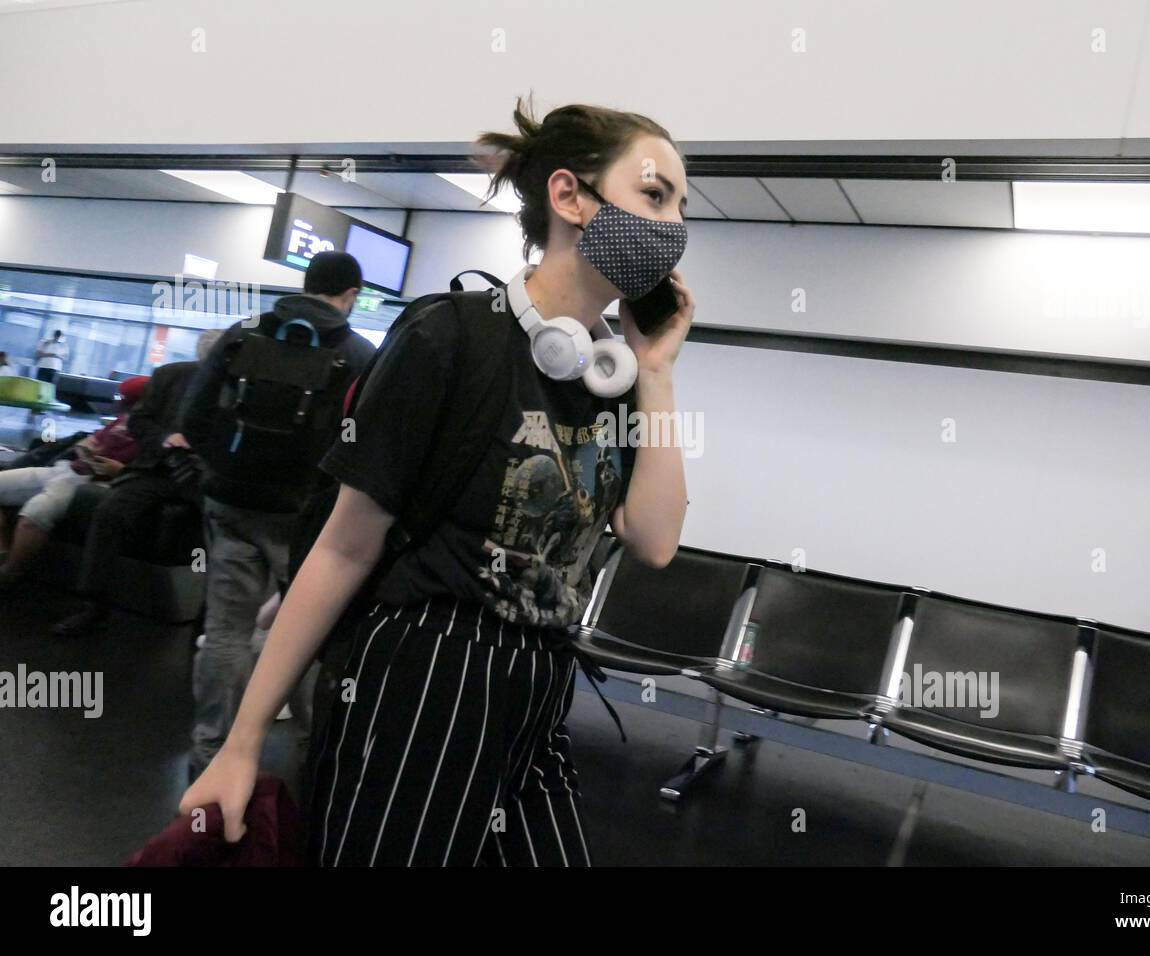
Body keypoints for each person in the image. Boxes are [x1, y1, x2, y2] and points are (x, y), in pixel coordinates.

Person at [181, 97, 693, 867]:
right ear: (570, 197)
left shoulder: (614, 378)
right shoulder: (450, 335)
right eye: (655, 196)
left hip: (539, 682)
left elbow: (655, 539)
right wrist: (243, 741)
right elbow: (344, 549)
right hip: (425, 674)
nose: (674, 224)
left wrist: (654, 372)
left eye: (682, 206)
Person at [180, 251, 375, 781]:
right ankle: (316, 757)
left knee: (225, 632)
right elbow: (366, 447)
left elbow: (193, 417)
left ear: (306, 284)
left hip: (231, 505)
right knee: (310, 634)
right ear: (351, 294)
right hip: (307, 520)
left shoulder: (242, 334)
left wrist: (225, 468)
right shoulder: (359, 354)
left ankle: (208, 755)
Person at [50, 329, 224, 638]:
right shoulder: (170, 375)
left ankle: (208, 617)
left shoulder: (239, 386)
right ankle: (94, 605)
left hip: (206, 474)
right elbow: (140, 421)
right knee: (109, 512)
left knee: (221, 531)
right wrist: (166, 439)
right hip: (155, 468)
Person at [0, 375, 150, 588]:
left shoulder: (154, 434)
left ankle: (11, 573)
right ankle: (4, 553)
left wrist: (118, 471)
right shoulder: (124, 421)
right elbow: (91, 441)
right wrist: (86, 449)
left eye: (123, 399)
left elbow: (151, 474)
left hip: (90, 482)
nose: (117, 403)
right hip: (68, 471)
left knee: (35, 515)